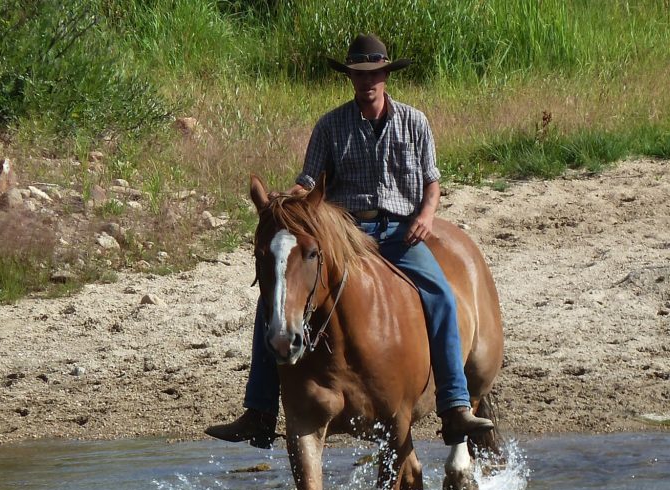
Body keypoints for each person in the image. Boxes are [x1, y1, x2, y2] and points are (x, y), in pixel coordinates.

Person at [206, 33, 494, 448]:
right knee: (272, 299)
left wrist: (426, 217)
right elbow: (307, 181)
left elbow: (432, 183)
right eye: (359, 74)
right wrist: (281, 204)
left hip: (399, 230)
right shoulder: (330, 125)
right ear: (350, 78)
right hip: (347, 233)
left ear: (385, 75)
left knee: (441, 296)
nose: (367, 81)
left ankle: (454, 404)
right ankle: (260, 410)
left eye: (374, 73)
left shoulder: (415, 122)